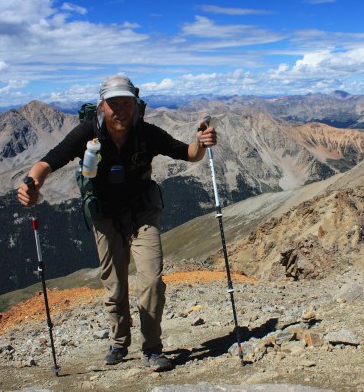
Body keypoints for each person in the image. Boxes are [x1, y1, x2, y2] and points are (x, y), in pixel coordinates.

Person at [17, 75, 217, 372]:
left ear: (136, 105)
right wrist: (32, 184)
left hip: (143, 215)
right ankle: (119, 342)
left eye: (126, 103)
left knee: (150, 280)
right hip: (105, 215)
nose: (120, 109)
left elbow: (187, 154)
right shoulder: (87, 133)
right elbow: (49, 162)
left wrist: (200, 143)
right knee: (115, 286)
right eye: (114, 104)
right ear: (102, 106)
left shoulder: (147, 133)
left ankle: (152, 349)